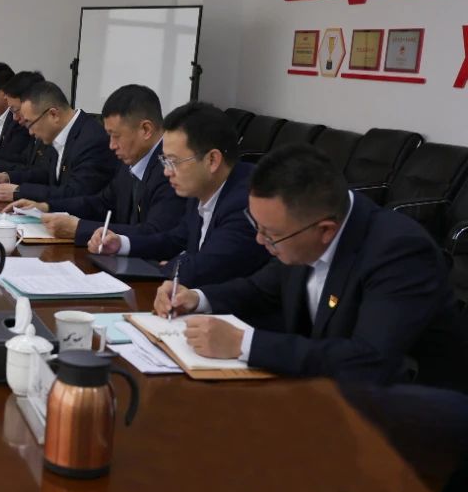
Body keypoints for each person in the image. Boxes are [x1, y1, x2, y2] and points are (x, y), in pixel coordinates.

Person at [156, 144, 461, 384]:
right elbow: (260, 290)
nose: (260, 241)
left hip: (408, 411)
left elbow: (369, 359)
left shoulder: (399, 252)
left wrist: (244, 344)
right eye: (256, 225)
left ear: (325, 230)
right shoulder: (301, 232)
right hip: (322, 388)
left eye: (271, 234)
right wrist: (197, 298)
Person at [93, 102, 267, 285]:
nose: (167, 172)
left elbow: (207, 267)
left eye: (173, 162)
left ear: (212, 160)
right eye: (165, 161)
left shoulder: (248, 201)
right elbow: (175, 239)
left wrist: (172, 266)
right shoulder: (202, 188)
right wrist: (121, 244)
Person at [4, 84, 185, 247]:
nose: (111, 145)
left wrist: (79, 228)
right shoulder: (131, 159)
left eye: (116, 136)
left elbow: (156, 232)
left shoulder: (172, 169)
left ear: (145, 130)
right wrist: (47, 207)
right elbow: (102, 202)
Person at [0, 80, 119, 203]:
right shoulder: (59, 133)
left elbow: (76, 193)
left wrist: (20, 192)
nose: (30, 132)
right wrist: (8, 177)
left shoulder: (92, 140)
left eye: (30, 123)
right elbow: (46, 174)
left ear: (53, 114)